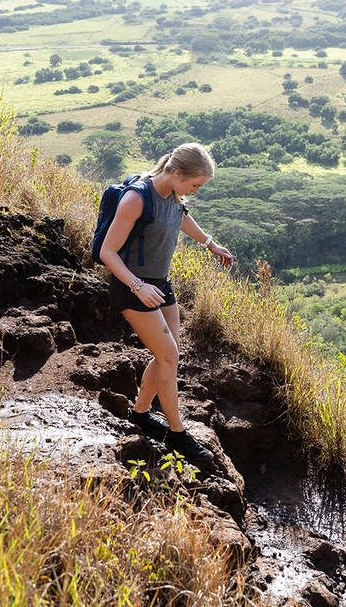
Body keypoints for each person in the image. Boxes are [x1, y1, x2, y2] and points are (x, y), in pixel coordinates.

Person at [99, 143, 235, 465]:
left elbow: (180, 218)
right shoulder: (137, 198)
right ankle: (177, 434)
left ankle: (141, 413)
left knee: (168, 353)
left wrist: (210, 244)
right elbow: (107, 252)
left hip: (159, 283)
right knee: (169, 355)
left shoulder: (174, 196)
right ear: (176, 173)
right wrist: (137, 285)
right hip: (132, 286)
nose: (196, 191)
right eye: (195, 185)